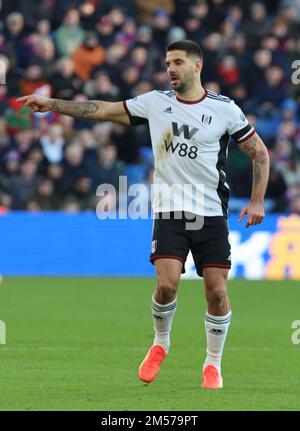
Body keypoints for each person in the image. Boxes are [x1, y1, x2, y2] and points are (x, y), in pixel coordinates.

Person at [17, 39, 270, 389]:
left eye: (178, 62)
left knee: (216, 292)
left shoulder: (225, 110)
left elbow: (260, 154)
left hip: (211, 213)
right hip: (169, 211)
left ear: (197, 66)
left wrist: (257, 201)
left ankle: (213, 363)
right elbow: (102, 109)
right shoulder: (155, 103)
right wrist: (53, 105)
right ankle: (160, 343)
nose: (171, 68)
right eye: (168, 62)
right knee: (166, 285)